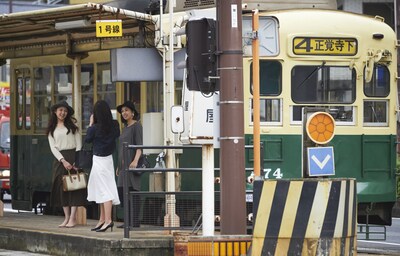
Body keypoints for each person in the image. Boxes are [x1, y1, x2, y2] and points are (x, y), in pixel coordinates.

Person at [47, 101, 86, 228]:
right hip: (60, 160)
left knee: (74, 187)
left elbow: (79, 143)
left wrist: (76, 160)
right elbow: (53, 148)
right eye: (60, 110)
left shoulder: (73, 125)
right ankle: (66, 217)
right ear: (55, 111)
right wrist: (63, 160)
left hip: (73, 156)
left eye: (65, 111)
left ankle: (73, 218)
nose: (63, 113)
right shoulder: (51, 128)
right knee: (61, 188)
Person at [85, 100, 120, 232]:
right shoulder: (114, 125)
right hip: (109, 159)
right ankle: (102, 219)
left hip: (99, 159)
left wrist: (90, 124)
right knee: (103, 187)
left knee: (104, 189)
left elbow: (87, 140)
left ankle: (108, 220)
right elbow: (116, 135)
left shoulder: (94, 128)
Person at [116, 101, 143, 228]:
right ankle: (128, 221)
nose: (124, 113)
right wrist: (118, 166)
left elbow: (139, 145)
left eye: (126, 110)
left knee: (133, 191)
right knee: (123, 191)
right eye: (122, 111)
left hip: (132, 165)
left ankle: (134, 221)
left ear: (132, 112)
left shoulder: (137, 126)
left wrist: (135, 160)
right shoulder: (125, 128)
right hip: (123, 166)